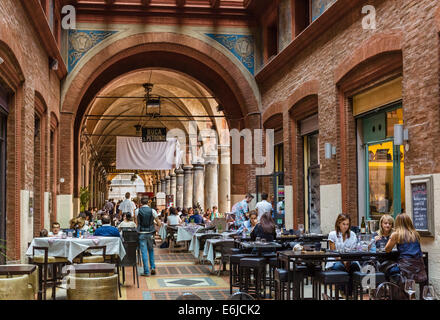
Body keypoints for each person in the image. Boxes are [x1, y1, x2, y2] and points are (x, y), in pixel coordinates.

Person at [384, 213, 427, 284]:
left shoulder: (396, 234)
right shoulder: (415, 234)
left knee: (386, 269)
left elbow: (387, 249)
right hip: (419, 267)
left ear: (397, 223)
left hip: (405, 267)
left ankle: (393, 292)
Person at [326, 213, 360, 296]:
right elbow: (334, 252)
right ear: (338, 224)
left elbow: (354, 250)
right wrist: (344, 262)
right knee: (339, 267)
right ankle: (343, 291)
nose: (345, 226)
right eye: (343, 224)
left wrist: (347, 261)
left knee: (355, 266)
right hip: (335, 260)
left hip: (350, 259)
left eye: (347, 224)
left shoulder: (352, 235)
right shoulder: (332, 234)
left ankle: (350, 293)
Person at [137, 197, 162, 277]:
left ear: (141, 203)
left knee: (143, 252)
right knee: (151, 250)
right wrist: (154, 224)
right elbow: (159, 223)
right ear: (148, 203)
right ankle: (153, 267)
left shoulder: (137, 211)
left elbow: (136, 223)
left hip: (141, 233)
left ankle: (146, 271)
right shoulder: (153, 211)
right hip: (151, 233)